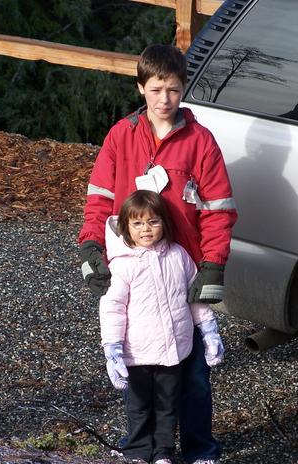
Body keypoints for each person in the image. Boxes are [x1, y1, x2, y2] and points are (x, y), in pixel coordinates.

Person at [79, 43, 237, 464]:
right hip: (134, 268)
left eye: (173, 89)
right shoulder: (121, 135)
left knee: (195, 373)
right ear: (140, 89)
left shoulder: (200, 141)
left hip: (183, 268)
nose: (165, 99)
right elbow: (99, 197)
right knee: (142, 370)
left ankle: (200, 449)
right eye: (155, 90)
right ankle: (144, 448)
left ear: (183, 88)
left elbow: (219, 210)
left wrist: (212, 264)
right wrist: (91, 246)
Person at [100, 190, 224, 464]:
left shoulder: (178, 256)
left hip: (174, 349)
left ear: (164, 223)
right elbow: (112, 308)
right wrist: (112, 347)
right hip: (137, 352)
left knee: (168, 404)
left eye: (153, 222)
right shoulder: (122, 266)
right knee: (140, 405)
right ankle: (138, 451)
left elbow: (195, 298)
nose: (146, 229)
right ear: (126, 227)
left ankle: (163, 452)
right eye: (138, 223)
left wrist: (209, 331)